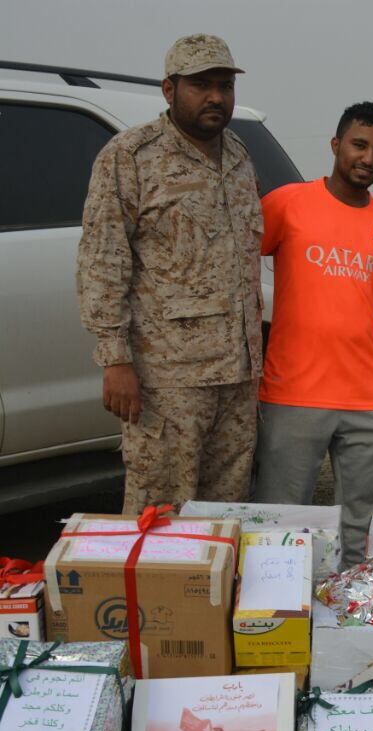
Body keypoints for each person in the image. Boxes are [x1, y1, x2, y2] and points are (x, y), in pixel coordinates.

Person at [77, 34, 262, 512]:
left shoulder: (240, 156)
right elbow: (103, 260)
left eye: (224, 85)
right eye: (201, 85)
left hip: (237, 379)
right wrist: (115, 359)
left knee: (227, 513)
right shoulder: (131, 157)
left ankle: (218, 590)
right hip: (168, 379)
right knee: (161, 511)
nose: (216, 97)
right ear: (169, 89)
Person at [252, 102, 373, 567]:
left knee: (370, 529)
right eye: (359, 145)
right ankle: (279, 617)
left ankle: (359, 614)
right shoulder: (288, 202)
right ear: (336, 145)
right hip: (294, 393)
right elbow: (236, 253)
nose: (368, 158)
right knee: (283, 521)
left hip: (369, 397)